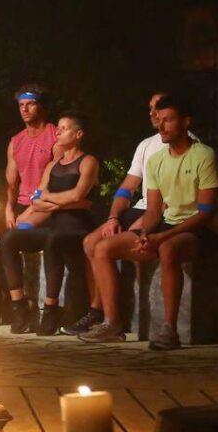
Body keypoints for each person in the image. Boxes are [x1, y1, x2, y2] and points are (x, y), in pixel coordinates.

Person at [79, 94, 218, 349]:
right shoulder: (156, 159)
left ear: (185, 122)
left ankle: (169, 329)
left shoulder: (203, 155)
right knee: (102, 247)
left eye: (169, 120)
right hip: (166, 224)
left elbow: (205, 213)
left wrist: (161, 237)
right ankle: (112, 323)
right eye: (159, 119)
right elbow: (154, 210)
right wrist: (145, 233)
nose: (161, 125)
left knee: (168, 248)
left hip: (199, 228)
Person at [63, 90, 183, 335]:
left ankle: (114, 322)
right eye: (151, 109)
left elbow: (170, 202)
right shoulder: (146, 145)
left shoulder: (186, 145)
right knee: (90, 241)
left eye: (159, 108)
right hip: (140, 209)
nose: (153, 114)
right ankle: (97, 311)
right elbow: (127, 188)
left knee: (104, 247)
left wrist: (141, 226)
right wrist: (113, 217)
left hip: (160, 214)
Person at [0, 110, 99, 335]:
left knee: (54, 239)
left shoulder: (88, 162)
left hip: (78, 227)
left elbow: (78, 194)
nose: (58, 133)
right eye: (58, 128)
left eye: (64, 129)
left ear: (78, 134)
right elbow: (37, 200)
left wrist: (50, 199)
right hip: (55, 225)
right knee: (9, 238)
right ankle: (18, 305)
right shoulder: (53, 166)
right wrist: (63, 202)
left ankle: (50, 308)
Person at [0, 85, 57, 319]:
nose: (24, 109)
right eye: (21, 105)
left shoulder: (54, 136)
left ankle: (23, 303)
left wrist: (30, 210)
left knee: (14, 234)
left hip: (45, 205)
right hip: (20, 204)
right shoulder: (16, 141)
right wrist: (9, 208)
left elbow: (57, 179)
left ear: (41, 106)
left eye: (30, 104)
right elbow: (11, 183)